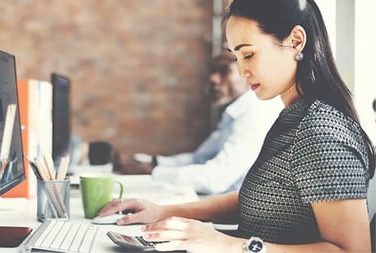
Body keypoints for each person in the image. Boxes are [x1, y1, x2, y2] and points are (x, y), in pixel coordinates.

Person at [98, 0, 376, 252]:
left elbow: (353, 251)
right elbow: (257, 201)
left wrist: (230, 245)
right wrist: (165, 211)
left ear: (295, 41)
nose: (242, 72)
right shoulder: (293, 117)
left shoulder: (322, 130)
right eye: (236, 57)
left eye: (249, 54)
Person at [113, 53, 282, 195]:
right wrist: (149, 161)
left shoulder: (257, 112)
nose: (213, 79)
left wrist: (151, 171)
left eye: (223, 71)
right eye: (213, 71)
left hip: (236, 218)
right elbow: (200, 158)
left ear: (247, 74)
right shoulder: (236, 111)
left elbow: (215, 179)